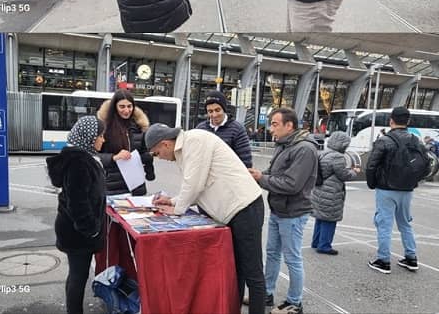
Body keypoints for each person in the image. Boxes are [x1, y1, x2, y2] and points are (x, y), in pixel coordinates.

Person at [145, 124, 266, 314]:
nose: (158, 157)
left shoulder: (194, 141)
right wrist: (172, 201)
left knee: (252, 272)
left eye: (156, 153)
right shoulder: (184, 149)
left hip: (244, 208)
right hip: (231, 212)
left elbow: (194, 184)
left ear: (165, 144)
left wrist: (176, 209)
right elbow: (194, 187)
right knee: (236, 270)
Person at [246, 107, 318, 314]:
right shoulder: (284, 144)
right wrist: (260, 174)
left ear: (290, 125)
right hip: (278, 209)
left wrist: (262, 178)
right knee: (272, 254)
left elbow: (291, 184)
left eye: (275, 124)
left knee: (292, 258)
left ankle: (295, 303)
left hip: (293, 213)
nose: (271, 129)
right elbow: (274, 172)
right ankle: (266, 294)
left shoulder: (304, 149)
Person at [46, 117, 106, 314]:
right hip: (78, 232)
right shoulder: (79, 162)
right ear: (89, 137)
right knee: (78, 277)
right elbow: (78, 202)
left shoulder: (80, 157)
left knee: (76, 275)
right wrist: (92, 229)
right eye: (100, 135)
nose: (102, 140)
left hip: (74, 230)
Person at [366, 106, 425, 274]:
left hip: (386, 188)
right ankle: (411, 258)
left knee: (384, 224)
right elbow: (426, 164)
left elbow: (371, 165)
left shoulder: (385, 140)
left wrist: (372, 183)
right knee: (405, 223)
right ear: (408, 121)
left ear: (391, 120)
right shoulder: (415, 140)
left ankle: (383, 260)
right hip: (407, 188)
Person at [71, 90, 153, 196]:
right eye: (122, 106)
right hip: (112, 186)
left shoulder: (139, 126)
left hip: (136, 185)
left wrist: (148, 162)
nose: (126, 110)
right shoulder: (104, 127)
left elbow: (144, 152)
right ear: (115, 107)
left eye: (129, 106)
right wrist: (114, 157)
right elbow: (92, 155)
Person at [310, 131, 360, 255]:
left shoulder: (323, 153)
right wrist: (355, 172)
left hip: (319, 190)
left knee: (320, 218)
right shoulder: (337, 157)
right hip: (331, 193)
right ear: (342, 144)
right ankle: (324, 246)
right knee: (329, 219)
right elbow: (343, 175)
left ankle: (316, 242)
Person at [193, 90, 252, 167]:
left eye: (217, 110)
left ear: (224, 109)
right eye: (210, 111)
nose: (214, 115)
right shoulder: (201, 129)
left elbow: (245, 160)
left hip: (228, 176)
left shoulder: (237, 129)